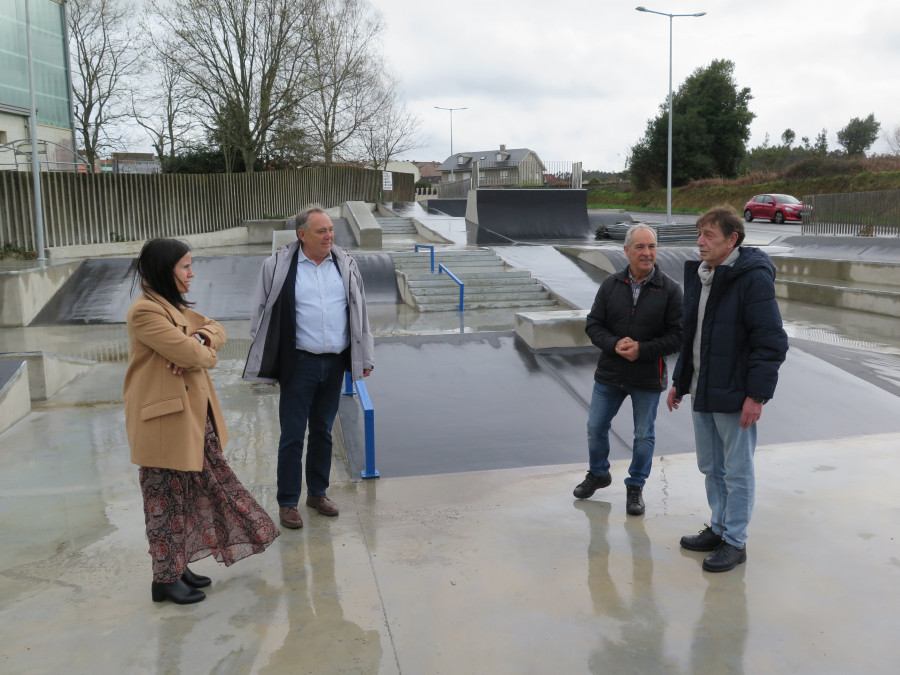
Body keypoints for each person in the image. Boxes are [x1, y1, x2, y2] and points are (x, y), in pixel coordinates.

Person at [124, 238, 280, 605]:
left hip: (192, 420)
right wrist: (194, 348)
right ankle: (164, 579)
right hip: (164, 423)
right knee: (164, 501)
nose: (192, 274)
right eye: (185, 267)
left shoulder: (172, 307)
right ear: (166, 270)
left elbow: (216, 330)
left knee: (188, 496)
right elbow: (200, 356)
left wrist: (197, 337)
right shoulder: (145, 312)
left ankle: (177, 567)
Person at [666, 206, 788, 572]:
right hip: (703, 389)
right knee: (711, 466)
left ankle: (736, 541)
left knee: (736, 470)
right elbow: (693, 337)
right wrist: (680, 381)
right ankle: (719, 529)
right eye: (699, 234)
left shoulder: (752, 278)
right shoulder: (704, 275)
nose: (700, 242)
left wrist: (757, 395)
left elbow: (771, 342)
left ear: (732, 239)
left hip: (735, 394)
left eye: (709, 236)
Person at [243, 205, 374, 530]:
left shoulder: (345, 264)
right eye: (322, 231)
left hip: (334, 362)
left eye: (331, 230)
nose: (329, 236)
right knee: (291, 435)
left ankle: (317, 493)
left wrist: (365, 356)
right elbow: (260, 313)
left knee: (323, 432)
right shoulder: (277, 266)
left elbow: (361, 312)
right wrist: (267, 362)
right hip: (298, 364)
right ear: (302, 235)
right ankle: (288, 502)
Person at [574, 224, 683, 515]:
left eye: (652, 247)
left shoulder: (670, 290)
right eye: (640, 247)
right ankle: (599, 473)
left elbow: (677, 335)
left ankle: (635, 487)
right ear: (626, 251)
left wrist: (642, 350)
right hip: (609, 373)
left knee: (643, 435)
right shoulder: (610, 285)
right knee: (595, 427)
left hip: (647, 377)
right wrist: (613, 343)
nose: (647, 253)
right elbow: (593, 325)